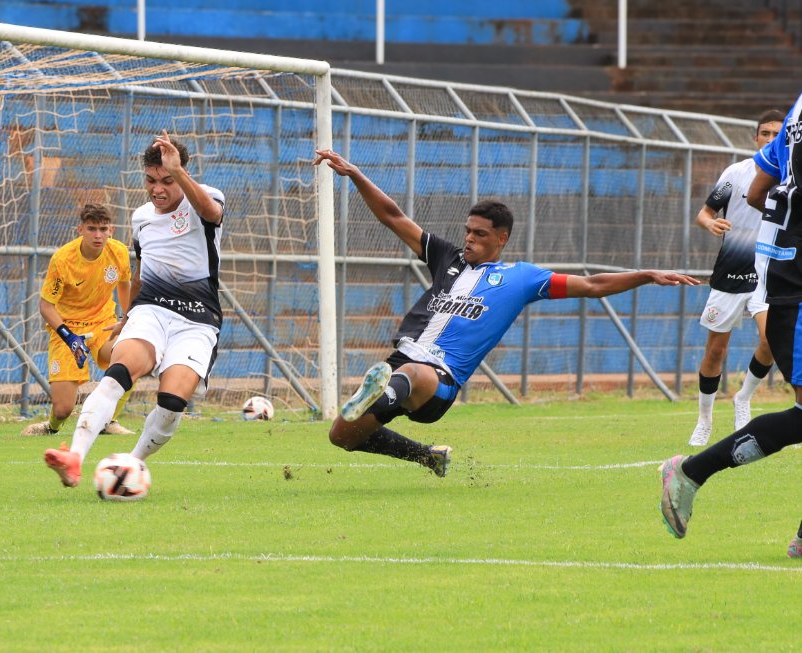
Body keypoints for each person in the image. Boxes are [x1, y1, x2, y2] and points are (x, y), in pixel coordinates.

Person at [312, 149, 699, 477]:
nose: (469, 238)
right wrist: (357, 175)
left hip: (439, 381)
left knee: (410, 374)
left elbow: (593, 285)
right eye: (467, 230)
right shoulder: (447, 258)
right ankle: (428, 456)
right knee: (341, 437)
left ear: (502, 238)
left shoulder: (522, 278)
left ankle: (377, 397)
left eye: (479, 234)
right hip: (405, 358)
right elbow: (394, 217)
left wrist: (646, 275)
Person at [659, 93, 802, 557]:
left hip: (779, 274)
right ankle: (693, 469)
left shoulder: (797, 112)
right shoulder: (733, 171)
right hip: (791, 285)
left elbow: (760, 193)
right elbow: (732, 201)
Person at [44, 131, 225, 487]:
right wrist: (127, 318)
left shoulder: (207, 198)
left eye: (167, 181)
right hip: (151, 311)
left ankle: (131, 464)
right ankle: (74, 457)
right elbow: (143, 271)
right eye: (151, 180)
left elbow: (211, 213)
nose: (158, 189)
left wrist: (180, 174)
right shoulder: (141, 217)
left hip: (197, 320)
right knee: (119, 370)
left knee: (172, 400)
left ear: (182, 174)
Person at [688, 109, 785, 447]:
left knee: (772, 340)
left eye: (777, 134)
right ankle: (704, 420)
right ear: (755, 138)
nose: (771, 139)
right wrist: (709, 223)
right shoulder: (736, 172)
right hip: (731, 269)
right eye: (765, 134)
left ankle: (743, 398)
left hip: (768, 273)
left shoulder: (791, 175)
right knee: (716, 350)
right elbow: (704, 212)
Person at [21, 203, 134, 437]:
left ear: (111, 230)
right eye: (92, 229)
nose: (98, 235)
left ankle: (108, 421)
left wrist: (127, 318)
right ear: (80, 229)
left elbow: (124, 285)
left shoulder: (119, 252)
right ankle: (51, 427)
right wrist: (69, 337)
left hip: (103, 322)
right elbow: (46, 306)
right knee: (63, 409)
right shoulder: (63, 259)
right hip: (67, 328)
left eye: (103, 229)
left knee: (131, 355)